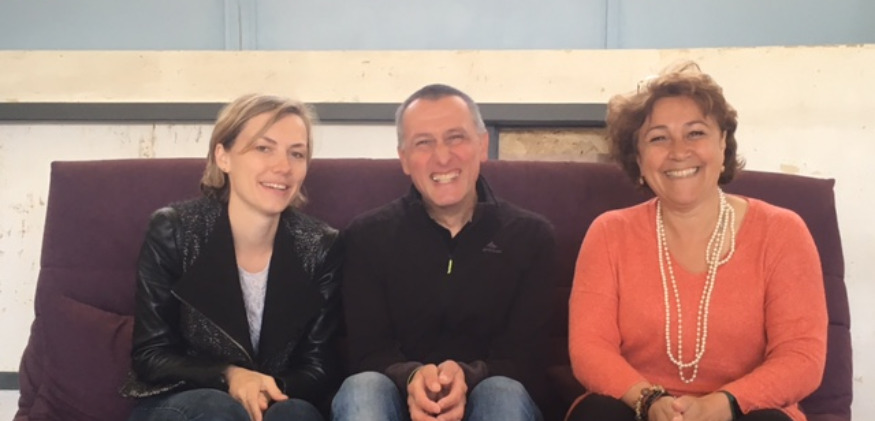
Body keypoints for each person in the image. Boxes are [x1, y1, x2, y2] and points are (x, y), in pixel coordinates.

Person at [566, 62, 828, 421]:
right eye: (658, 138)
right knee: (596, 414)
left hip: (744, 411)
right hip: (639, 408)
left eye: (695, 133)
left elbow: (801, 357)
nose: (679, 151)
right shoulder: (609, 233)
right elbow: (590, 349)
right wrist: (650, 401)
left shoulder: (782, 232)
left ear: (723, 143)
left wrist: (719, 405)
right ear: (639, 159)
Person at [331, 84, 556, 421]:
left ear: (482, 145)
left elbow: (527, 360)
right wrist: (413, 378)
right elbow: (366, 353)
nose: (442, 157)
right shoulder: (366, 237)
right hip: (395, 401)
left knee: (502, 391)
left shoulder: (531, 237)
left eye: (455, 138)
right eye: (424, 143)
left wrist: (466, 377)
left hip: (492, 400)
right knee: (363, 387)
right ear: (404, 159)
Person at [121, 94, 342, 421]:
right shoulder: (174, 230)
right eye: (263, 148)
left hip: (276, 400)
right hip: (182, 400)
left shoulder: (321, 246)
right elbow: (151, 355)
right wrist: (230, 376)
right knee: (219, 409)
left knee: (296, 413)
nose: (283, 167)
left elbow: (318, 367)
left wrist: (265, 388)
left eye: (297, 153)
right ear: (223, 157)